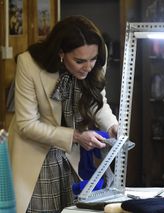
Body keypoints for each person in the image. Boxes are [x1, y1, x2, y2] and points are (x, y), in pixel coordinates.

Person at [8, 15, 119, 213]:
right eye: (79, 61)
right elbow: (26, 124)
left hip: (72, 154)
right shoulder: (29, 63)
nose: (88, 66)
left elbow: (98, 102)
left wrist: (112, 126)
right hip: (36, 154)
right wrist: (76, 136)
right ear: (61, 53)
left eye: (93, 59)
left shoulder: (96, 56)